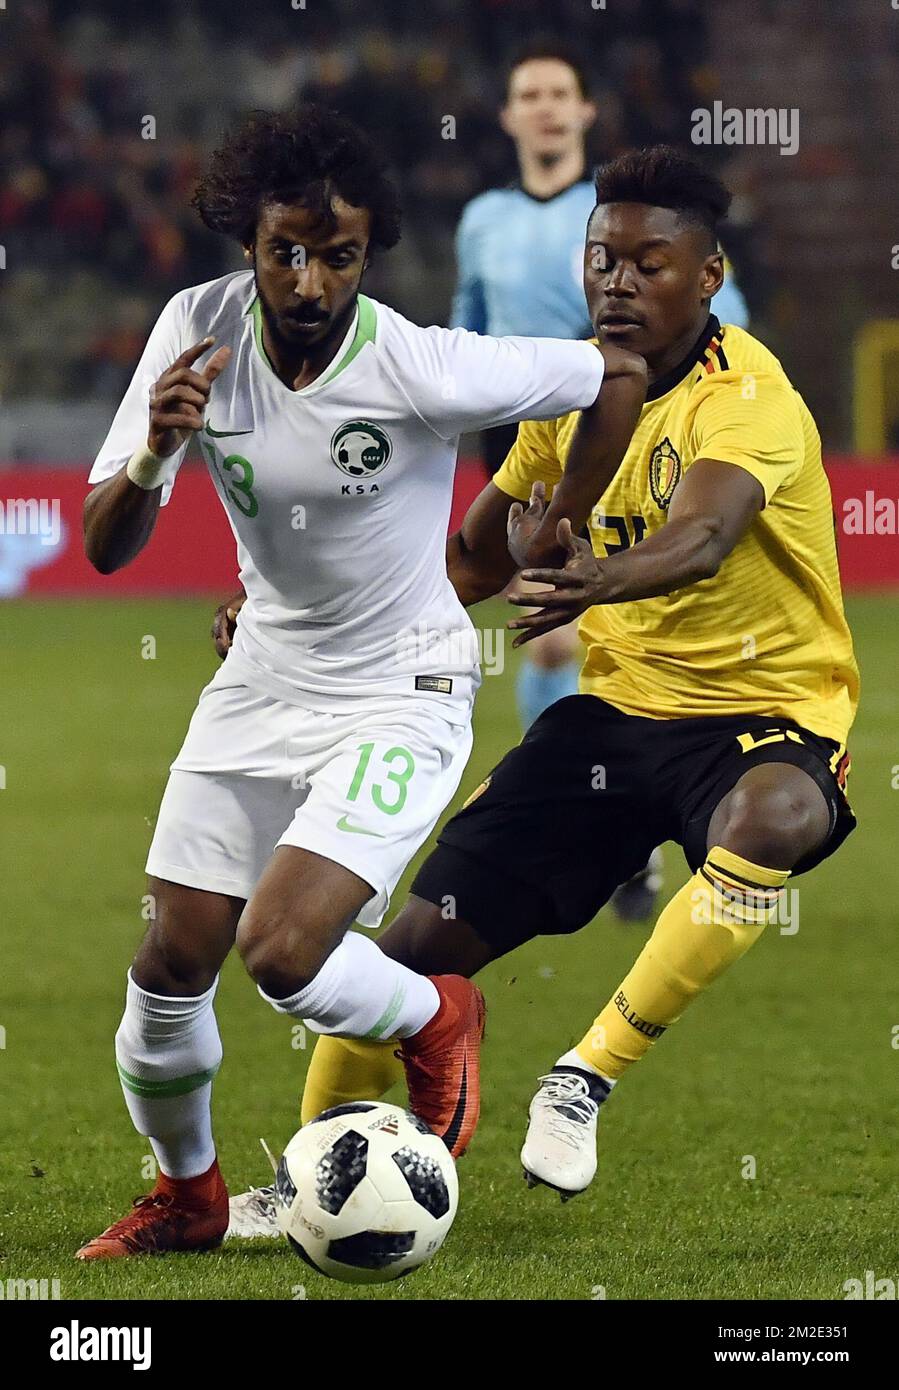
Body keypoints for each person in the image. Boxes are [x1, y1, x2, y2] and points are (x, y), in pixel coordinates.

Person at [76, 104, 646, 1258]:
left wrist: (563, 523)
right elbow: (103, 543)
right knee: (167, 965)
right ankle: (186, 1195)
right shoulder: (194, 330)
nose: (309, 278)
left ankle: (439, 1012)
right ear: (247, 237)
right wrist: (153, 452)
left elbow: (616, 372)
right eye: (287, 247)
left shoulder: (418, 363)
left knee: (282, 951)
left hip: (403, 685)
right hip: (262, 677)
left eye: (337, 255)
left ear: (366, 254)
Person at [277, 144, 858, 1205]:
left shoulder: (751, 398)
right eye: (601, 260)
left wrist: (599, 580)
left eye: (648, 263)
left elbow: (703, 534)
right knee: (409, 947)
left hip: (756, 715)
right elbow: (472, 557)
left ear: (707, 276)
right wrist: (319, 630)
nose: (617, 283)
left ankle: (582, 1077)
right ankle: (304, 1173)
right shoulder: (564, 393)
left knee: (774, 815)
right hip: (607, 725)